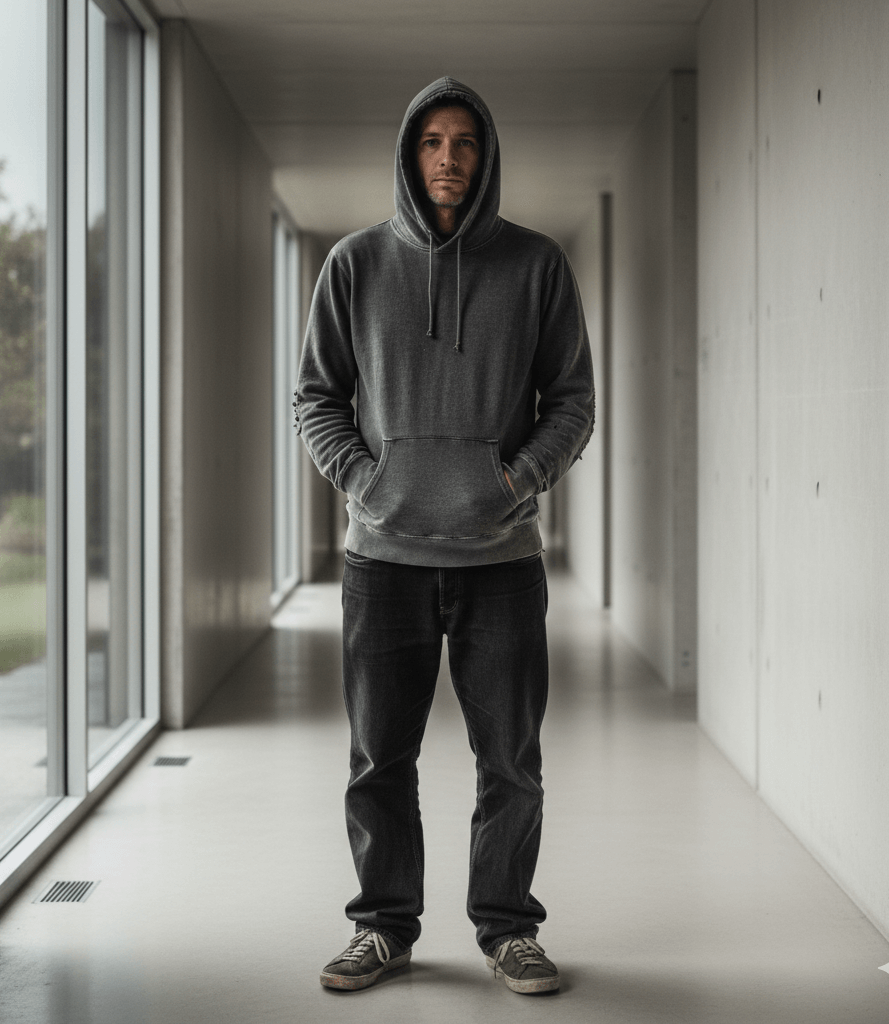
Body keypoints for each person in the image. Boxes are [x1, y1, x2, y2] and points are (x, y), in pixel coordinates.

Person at [294, 76, 594, 995]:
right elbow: (316, 397)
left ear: (486, 155)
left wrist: (515, 479)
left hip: (501, 561)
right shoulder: (353, 265)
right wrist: (365, 479)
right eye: (432, 142)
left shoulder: (536, 265)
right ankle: (383, 927)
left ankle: (508, 928)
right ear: (408, 154)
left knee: (511, 761)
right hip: (381, 561)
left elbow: (573, 404)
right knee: (379, 758)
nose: (449, 159)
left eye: (465, 142)